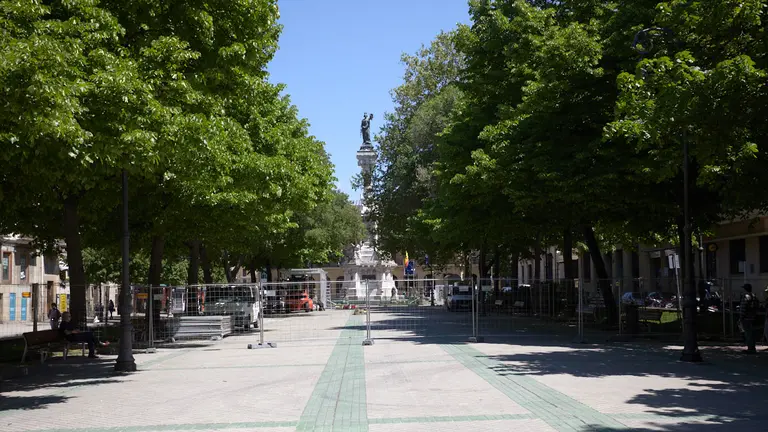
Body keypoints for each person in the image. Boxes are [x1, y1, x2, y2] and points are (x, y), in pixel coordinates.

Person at [739, 284, 759, 354]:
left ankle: (751, 349)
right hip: (752, 317)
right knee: (751, 333)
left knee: (748, 334)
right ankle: (752, 347)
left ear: (745, 289)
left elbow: (743, 308)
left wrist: (741, 317)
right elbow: (757, 306)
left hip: (746, 318)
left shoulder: (745, 296)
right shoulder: (754, 296)